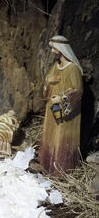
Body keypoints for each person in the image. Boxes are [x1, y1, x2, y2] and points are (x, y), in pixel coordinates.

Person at [37, 36, 83, 177]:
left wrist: (62, 99)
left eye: (54, 48)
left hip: (65, 111)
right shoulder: (55, 67)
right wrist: (49, 82)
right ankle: (46, 164)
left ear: (62, 50)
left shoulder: (73, 69)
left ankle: (62, 170)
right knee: (51, 133)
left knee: (61, 135)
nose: (52, 51)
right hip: (52, 107)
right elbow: (46, 85)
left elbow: (78, 91)